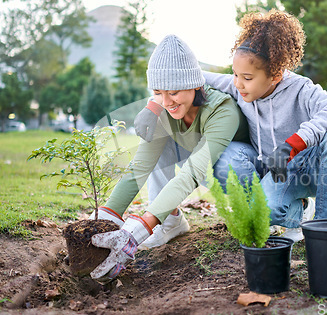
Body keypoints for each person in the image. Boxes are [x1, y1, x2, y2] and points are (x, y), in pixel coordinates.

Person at [135, 9, 327, 242]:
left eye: (247, 78)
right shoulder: (237, 85)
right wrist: (153, 105)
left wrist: (294, 144)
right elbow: (183, 78)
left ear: (276, 74)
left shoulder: (301, 89)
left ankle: (325, 227)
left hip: (303, 166)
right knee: (227, 158)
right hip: (270, 170)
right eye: (235, 74)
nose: (238, 84)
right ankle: (294, 211)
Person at [88, 34, 248, 283]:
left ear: (195, 84)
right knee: (156, 147)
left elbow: (193, 172)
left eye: (173, 92)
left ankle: (279, 211)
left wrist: (139, 229)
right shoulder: (163, 109)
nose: (166, 102)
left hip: (239, 171)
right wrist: (103, 219)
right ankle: (171, 221)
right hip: (198, 162)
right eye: (158, 93)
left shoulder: (222, 110)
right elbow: (139, 167)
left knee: (228, 160)